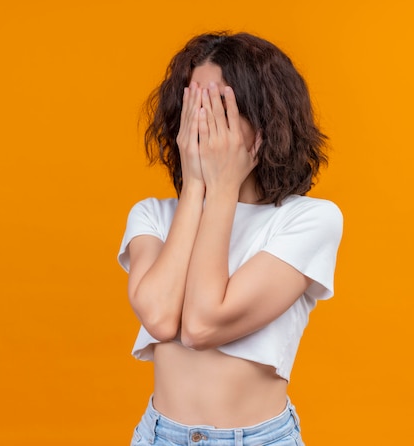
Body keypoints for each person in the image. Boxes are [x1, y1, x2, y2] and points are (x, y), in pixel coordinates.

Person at [118, 31, 343, 446]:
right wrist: (195, 190)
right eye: (194, 104)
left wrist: (222, 190)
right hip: (158, 435)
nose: (203, 120)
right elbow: (161, 317)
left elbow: (202, 324)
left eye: (219, 105)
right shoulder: (152, 215)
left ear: (265, 119)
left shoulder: (309, 220)